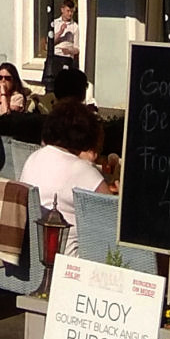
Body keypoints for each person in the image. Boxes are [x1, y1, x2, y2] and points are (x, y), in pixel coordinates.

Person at [19, 103, 117, 252]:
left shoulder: (34, 157)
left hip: (34, 252)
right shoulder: (82, 170)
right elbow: (114, 217)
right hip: (71, 258)